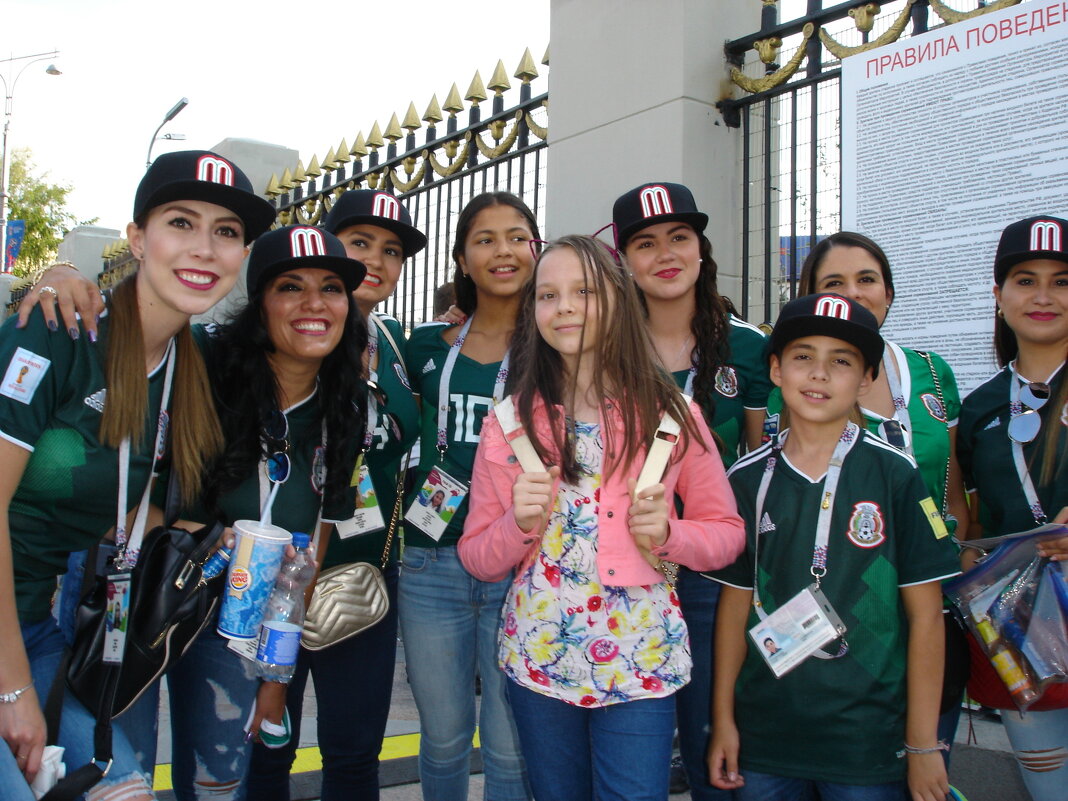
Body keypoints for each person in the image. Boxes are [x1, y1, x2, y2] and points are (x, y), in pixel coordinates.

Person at [0, 150, 274, 801]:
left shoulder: (192, 365)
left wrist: (212, 550)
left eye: (227, 232)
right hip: (13, 649)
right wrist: (13, 691)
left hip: (35, 624)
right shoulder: (58, 334)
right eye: (181, 222)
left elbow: (137, 507)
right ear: (137, 238)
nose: (204, 248)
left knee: (125, 791)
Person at [457, 234, 744, 801]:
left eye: (583, 291)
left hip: (641, 656)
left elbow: (727, 534)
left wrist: (670, 535)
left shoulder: (671, 413)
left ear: (616, 299)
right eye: (547, 295)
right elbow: (477, 556)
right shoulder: (508, 421)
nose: (563, 307)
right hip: (540, 653)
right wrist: (516, 525)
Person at [706, 293, 960, 801]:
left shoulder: (895, 475)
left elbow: (928, 617)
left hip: (868, 741)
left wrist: (922, 745)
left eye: (841, 361)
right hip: (766, 736)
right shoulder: (747, 480)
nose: (819, 374)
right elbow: (733, 611)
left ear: (867, 379)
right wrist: (723, 722)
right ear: (775, 370)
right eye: (803, 356)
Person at [248, 189, 424, 801]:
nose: (376, 260)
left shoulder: (404, 346)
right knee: (265, 748)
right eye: (360, 243)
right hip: (270, 580)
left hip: (366, 581)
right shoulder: (292, 338)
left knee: (354, 756)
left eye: (392, 250)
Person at [770, 231, 973, 751]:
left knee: (926, 755)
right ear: (809, 294)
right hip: (840, 599)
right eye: (833, 282)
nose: (854, 293)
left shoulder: (932, 372)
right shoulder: (797, 383)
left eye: (867, 280)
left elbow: (951, 489)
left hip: (928, 597)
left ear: (888, 291)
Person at [612, 181, 773, 799]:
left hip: (714, 576)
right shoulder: (605, 350)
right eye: (646, 243)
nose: (666, 254)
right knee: (637, 755)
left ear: (701, 250)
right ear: (625, 261)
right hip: (624, 570)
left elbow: (763, 461)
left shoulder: (750, 347)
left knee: (714, 744)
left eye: (679, 237)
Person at [400, 191, 539, 801]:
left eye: (517, 236)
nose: (502, 250)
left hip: (523, 563)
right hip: (430, 561)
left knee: (510, 746)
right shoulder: (427, 344)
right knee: (445, 737)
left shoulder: (559, 345)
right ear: (462, 257)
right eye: (485, 239)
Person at [956, 215, 1068, 801]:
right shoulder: (977, 409)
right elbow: (971, 523)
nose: (1044, 295)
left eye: (1062, 280)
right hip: (1026, 635)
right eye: (1025, 280)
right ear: (999, 296)